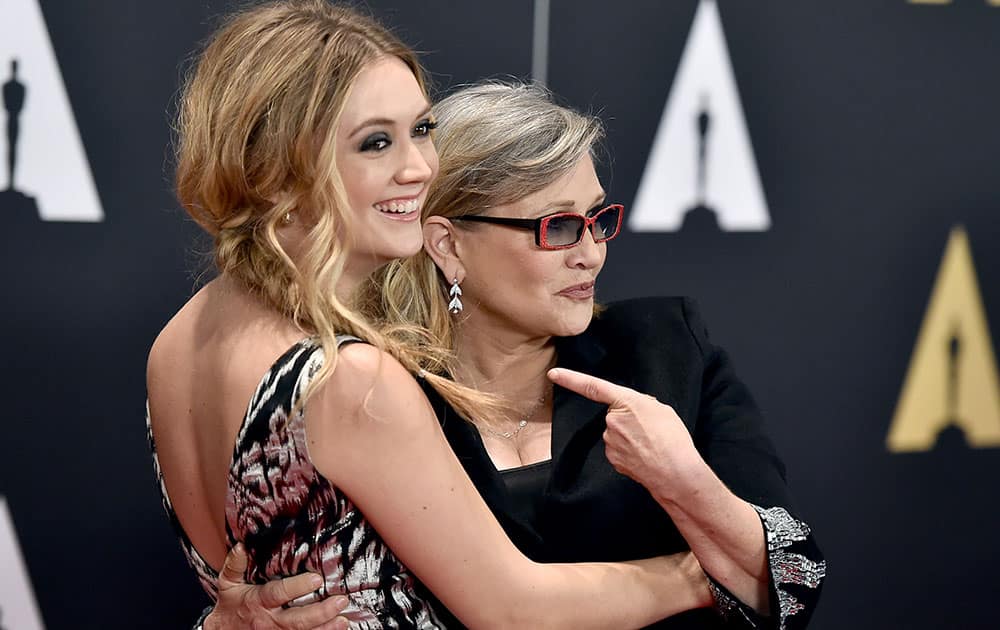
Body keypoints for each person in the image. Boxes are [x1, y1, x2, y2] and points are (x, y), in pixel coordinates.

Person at [147, 3, 719, 629]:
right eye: (375, 142)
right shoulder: (350, 380)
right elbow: (514, 610)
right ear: (280, 170)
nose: (419, 169)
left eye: (421, 130)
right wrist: (706, 571)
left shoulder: (180, 338)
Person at [216, 81, 827, 629]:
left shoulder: (668, 354)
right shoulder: (373, 395)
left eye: (598, 219)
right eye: (557, 227)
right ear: (448, 246)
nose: (590, 253)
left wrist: (688, 485)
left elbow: (794, 579)